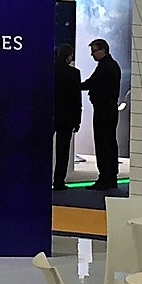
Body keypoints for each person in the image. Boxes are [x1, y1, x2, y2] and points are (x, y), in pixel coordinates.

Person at [81, 38, 123, 192]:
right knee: (110, 142)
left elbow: (91, 83)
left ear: (103, 50)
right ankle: (111, 177)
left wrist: (73, 85)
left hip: (103, 109)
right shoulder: (112, 65)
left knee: (102, 143)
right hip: (110, 109)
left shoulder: (105, 67)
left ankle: (104, 178)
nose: (92, 55)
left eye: (94, 51)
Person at [53, 48, 81, 190]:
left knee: (42, 149)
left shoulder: (50, 71)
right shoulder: (74, 73)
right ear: (69, 56)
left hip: (51, 115)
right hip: (67, 116)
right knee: (63, 151)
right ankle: (59, 181)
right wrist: (78, 120)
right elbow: (77, 98)